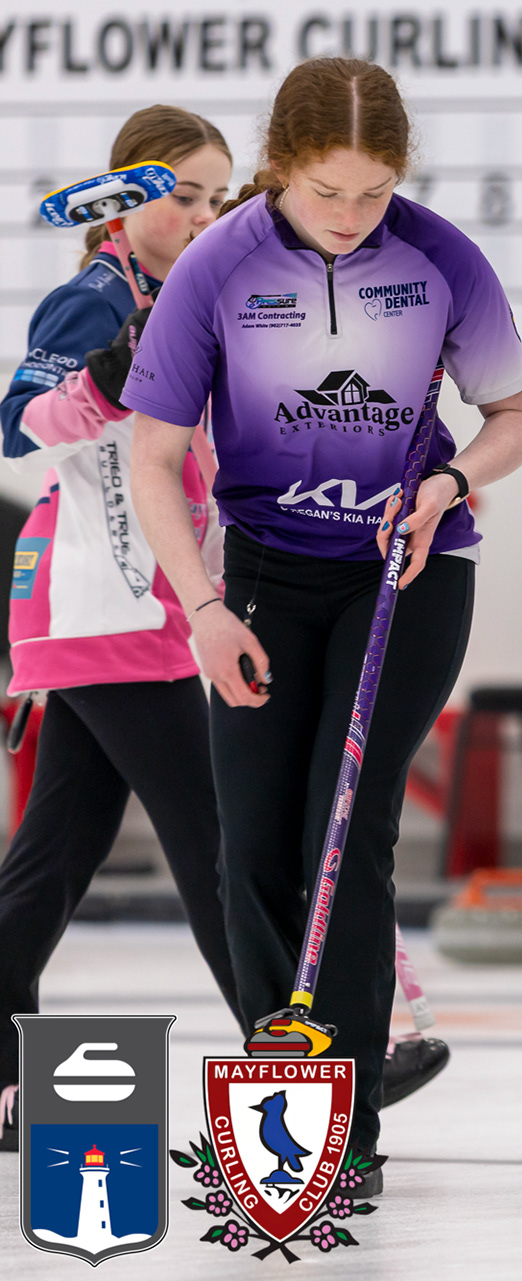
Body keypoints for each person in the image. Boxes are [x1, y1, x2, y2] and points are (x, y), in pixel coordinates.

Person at [126, 59, 522, 1195]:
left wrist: (452, 481)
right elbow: (154, 457)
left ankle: (344, 1128)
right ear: (279, 169)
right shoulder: (216, 266)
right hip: (262, 572)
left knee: (344, 831)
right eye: (325, 192)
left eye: (373, 192)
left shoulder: (442, 258)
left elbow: (515, 415)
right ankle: (283, 1100)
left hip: (405, 568)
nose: (351, 215)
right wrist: (203, 609)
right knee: (253, 845)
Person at [0, 106, 241, 1156]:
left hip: (139, 613)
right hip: (106, 608)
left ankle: (3, 1078)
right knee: (217, 838)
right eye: (183, 195)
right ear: (122, 198)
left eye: (214, 199)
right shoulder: (95, 296)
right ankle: (299, 1060)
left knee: (53, 856)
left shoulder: (176, 301)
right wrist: (103, 376)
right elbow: (17, 423)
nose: (202, 216)